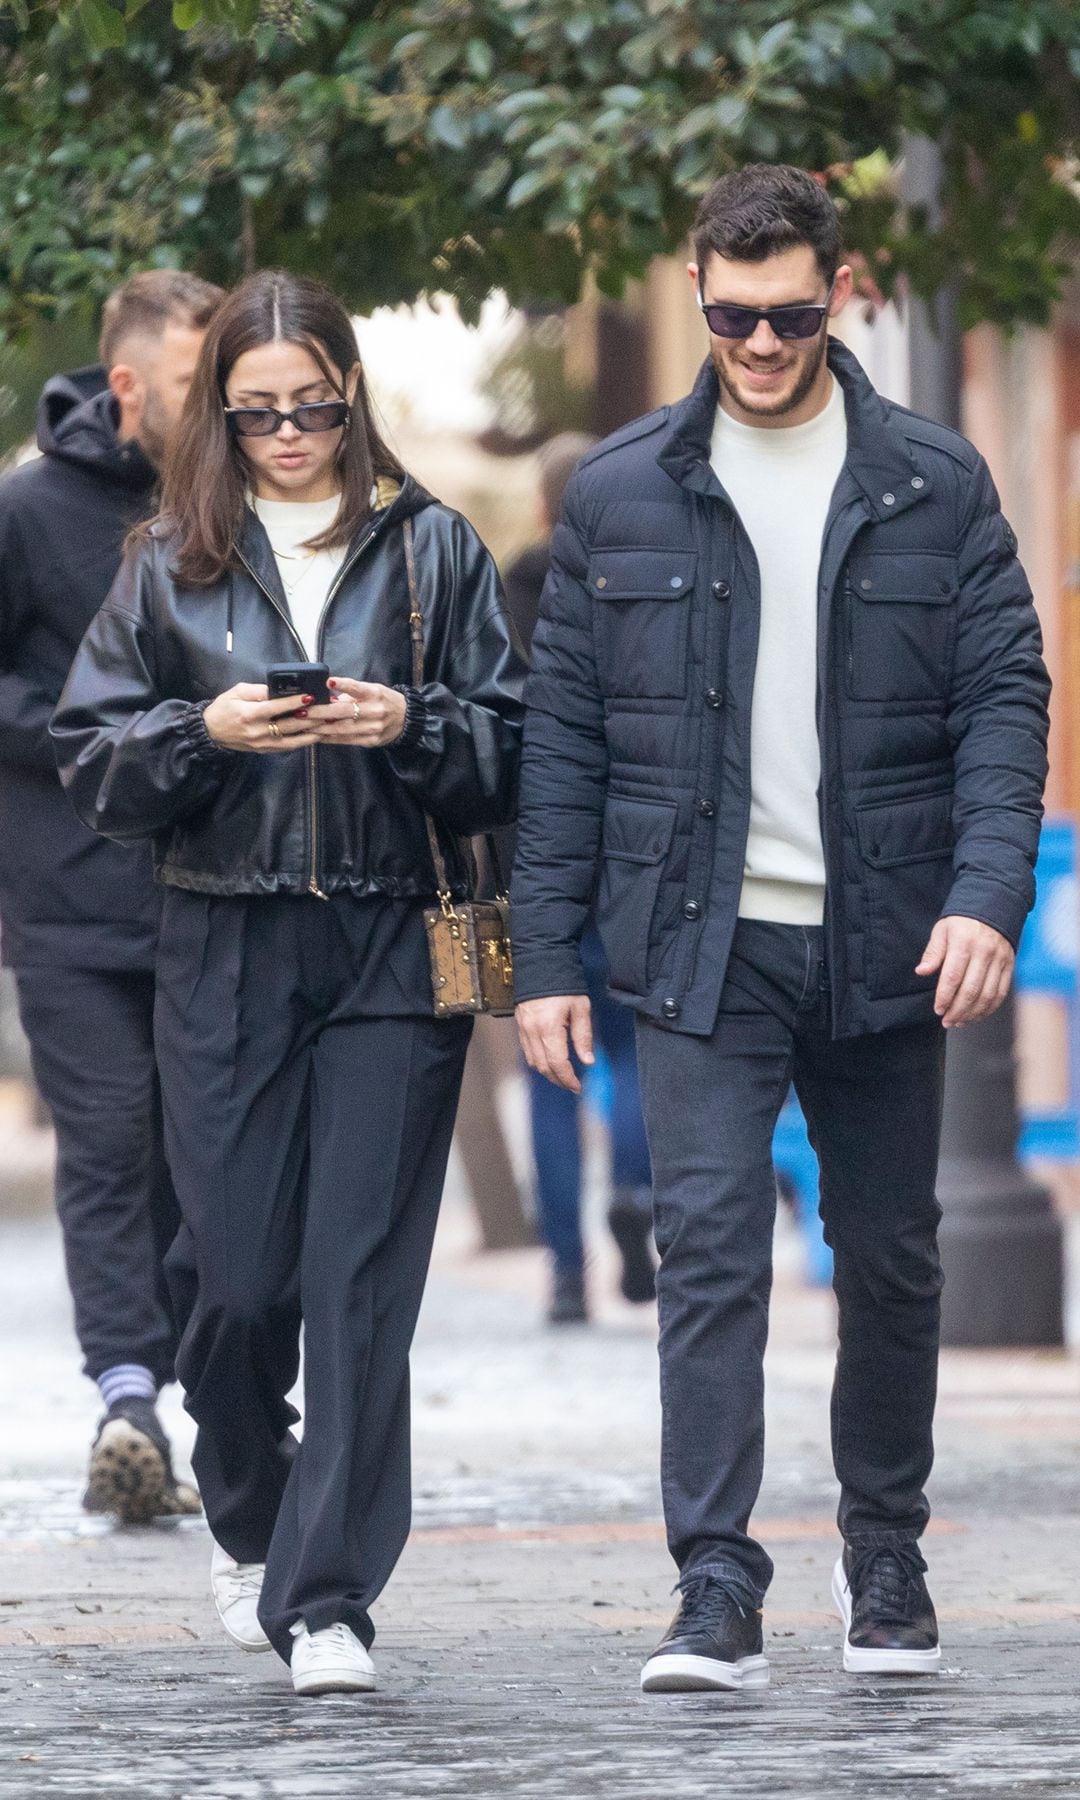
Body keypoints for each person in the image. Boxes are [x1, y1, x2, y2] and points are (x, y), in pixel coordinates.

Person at [511, 164, 1049, 1692]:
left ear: (841, 290)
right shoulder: (619, 491)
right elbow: (563, 743)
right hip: (701, 937)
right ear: (696, 289)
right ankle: (715, 1579)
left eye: (793, 314)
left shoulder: (934, 482)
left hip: (886, 933)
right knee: (710, 1255)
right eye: (737, 316)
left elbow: (1005, 699)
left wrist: (981, 896)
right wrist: (545, 956)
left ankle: (885, 1548)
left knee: (889, 1253)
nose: (762, 344)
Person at [52, 270, 524, 1697]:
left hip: (392, 940)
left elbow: (511, 742)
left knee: (357, 1286)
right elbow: (95, 759)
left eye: (311, 404)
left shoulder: (435, 549)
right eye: (256, 413)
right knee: (241, 1287)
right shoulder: (168, 558)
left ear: (350, 391)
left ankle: (328, 1601)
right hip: (227, 941)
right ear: (218, 414)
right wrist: (203, 731)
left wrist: (412, 722)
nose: (287, 433)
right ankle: (249, 1508)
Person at [0, 270, 223, 1522]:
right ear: (130, 387)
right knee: (107, 1145)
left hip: (213, 893)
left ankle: (210, 1398)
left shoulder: (234, 506)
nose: (228, 406)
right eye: (200, 385)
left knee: (203, 1159)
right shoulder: (26, 513)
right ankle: (129, 1397)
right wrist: (101, 734)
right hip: (71, 905)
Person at [503, 434, 655, 1325]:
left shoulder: (507, 595)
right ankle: (635, 1192)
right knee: (635, 1049)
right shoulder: (635, 582)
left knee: (549, 1071)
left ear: (541, 508)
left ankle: (565, 1273)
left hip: (540, 864)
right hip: (630, 863)